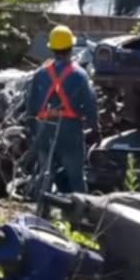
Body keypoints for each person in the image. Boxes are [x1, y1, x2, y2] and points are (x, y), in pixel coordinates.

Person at [25, 25, 98, 195]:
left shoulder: (40, 74)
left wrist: (33, 130)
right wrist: (95, 127)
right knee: (76, 178)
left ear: (52, 49)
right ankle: (80, 209)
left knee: (45, 174)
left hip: (44, 129)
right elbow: (90, 104)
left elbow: (31, 107)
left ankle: (41, 208)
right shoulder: (80, 75)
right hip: (70, 131)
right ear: (71, 48)